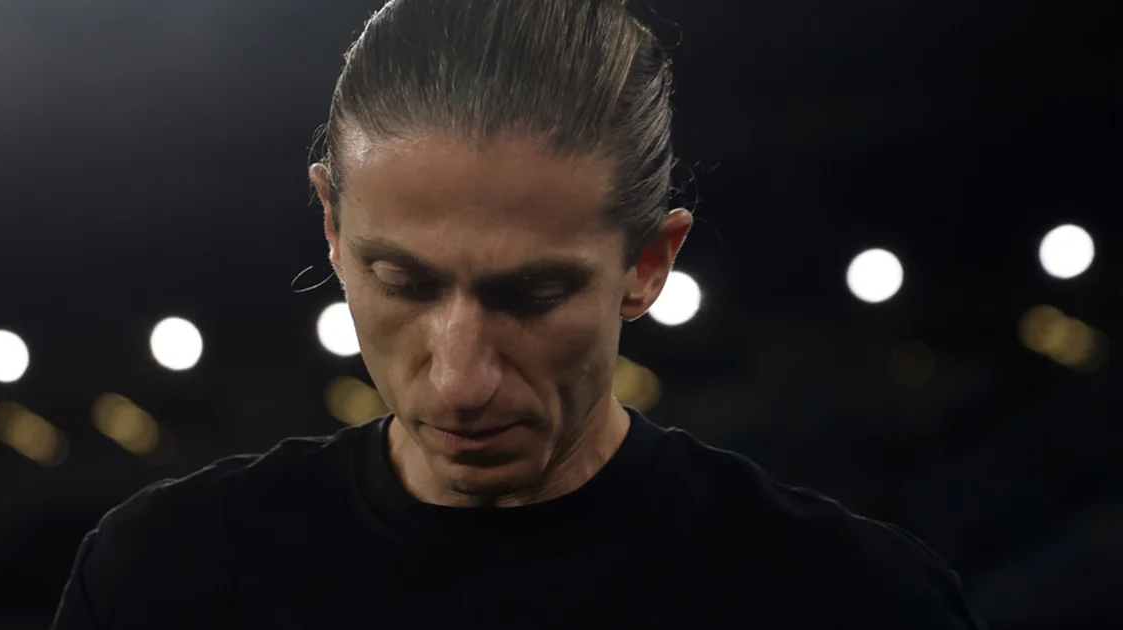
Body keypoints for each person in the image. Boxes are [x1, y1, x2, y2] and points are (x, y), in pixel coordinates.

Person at [52, 0, 986, 627]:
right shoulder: (154, 581)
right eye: (405, 283)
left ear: (650, 263)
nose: (460, 380)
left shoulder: (860, 604)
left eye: (533, 296)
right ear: (332, 231)